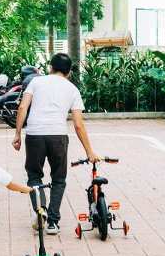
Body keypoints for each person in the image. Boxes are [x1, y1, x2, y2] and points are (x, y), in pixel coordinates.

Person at [12, 53, 99, 235]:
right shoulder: (72, 89)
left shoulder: (36, 82)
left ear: (50, 67)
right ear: (69, 72)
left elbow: (22, 107)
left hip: (35, 135)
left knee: (34, 176)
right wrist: (89, 151)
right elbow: (78, 124)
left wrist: (17, 134)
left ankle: (40, 210)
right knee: (59, 179)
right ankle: (52, 223)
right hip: (58, 136)